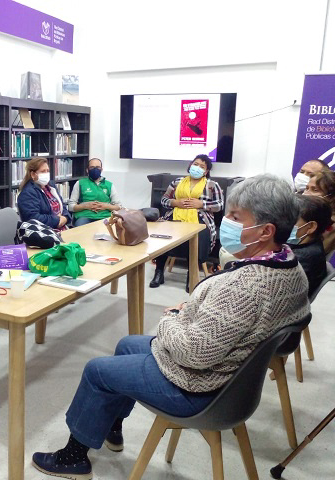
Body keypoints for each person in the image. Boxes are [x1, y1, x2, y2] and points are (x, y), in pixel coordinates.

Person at [31, 174, 310, 479]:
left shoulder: (244, 287)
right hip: (230, 374)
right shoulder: (290, 267)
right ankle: (111, 425)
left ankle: (73, 458)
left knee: (97, 371)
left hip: (203, 386)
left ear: (265, 231)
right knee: (127, 344)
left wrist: (171, 319)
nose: (226, 221)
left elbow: (194, 353)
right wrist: (194, 311)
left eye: (234, 216)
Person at [150, 154, 224, 290]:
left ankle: (192, 276)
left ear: (206, 171)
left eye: (202, 166)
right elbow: (164, 200)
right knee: (161, 235)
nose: (197, 168)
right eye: (196, 164)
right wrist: (175, 202)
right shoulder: (177, 182)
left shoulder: (212, 185)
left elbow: (219, 205)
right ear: (190, 165)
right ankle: (159, 272)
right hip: (175, 215)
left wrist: (201, 204)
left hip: (201, 218)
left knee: (200, 237)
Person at [288, 195, 332, 297]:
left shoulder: (302, 259)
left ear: (311, 227)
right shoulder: (306, 244)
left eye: (291, 220)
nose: (283, 224)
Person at [17, 157, 71, 231]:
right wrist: (57, 220)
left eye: (47, 171)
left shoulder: (51, 186)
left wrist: (65, 217)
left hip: (62, 229)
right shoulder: (27, 193)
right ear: (33, 174)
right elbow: (33, 218)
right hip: (43, 234)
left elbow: (63, 205)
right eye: (43, 171)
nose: (46, 174)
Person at [68, 158, 122, 227]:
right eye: (92, 167)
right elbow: (70, 207)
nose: (95, 169)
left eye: (98, 167)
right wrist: (85, 206)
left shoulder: (109, 185)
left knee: (110, 229)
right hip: (85, 216)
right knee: (80, 230)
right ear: (87, 170)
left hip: (104, 216)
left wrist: (106, 206)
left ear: (101, 170)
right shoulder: (80, 183)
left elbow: (119, 206)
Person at [303, 169, 335, 254]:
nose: (306, 194)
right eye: (306, 188)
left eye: (315, 190)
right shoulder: (306, 214)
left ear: (331, 196)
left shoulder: (331, 224)